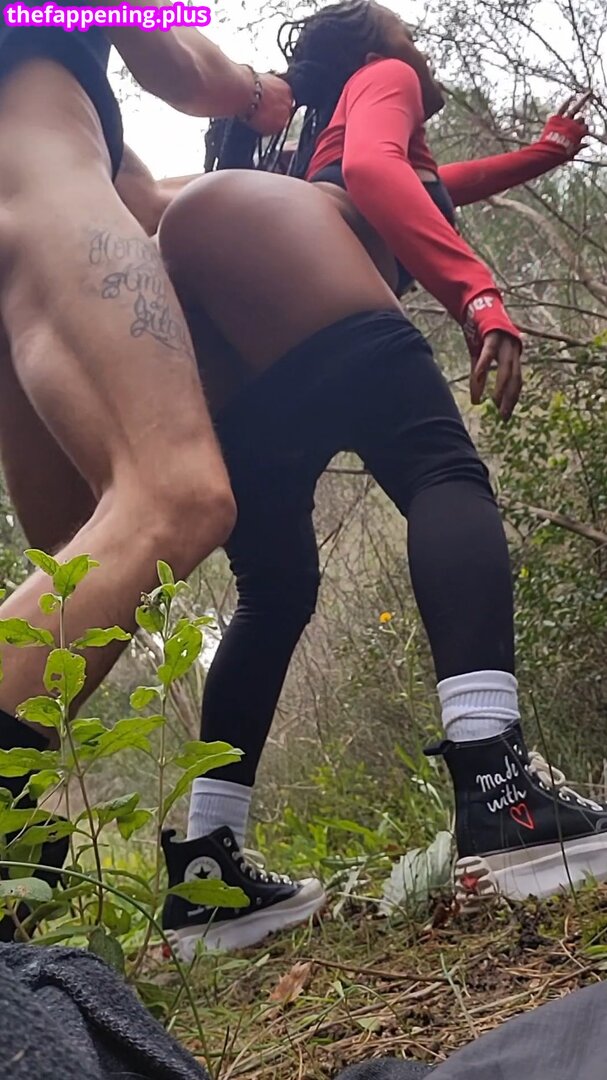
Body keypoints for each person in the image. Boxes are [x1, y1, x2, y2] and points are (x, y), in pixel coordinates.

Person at [150, 13, 603, 953]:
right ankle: (499, 788)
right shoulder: (381, 73)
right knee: (440, 470)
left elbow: (431, 186)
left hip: (215, 291)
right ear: (368, 45)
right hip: (285, 245)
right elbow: (375, 173)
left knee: (275, 590)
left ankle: (207, 870)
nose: (416, 44)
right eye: (402, 29)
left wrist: (541, 154)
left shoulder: (321, 132)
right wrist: (478, 294)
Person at [0, 1, 292, 933]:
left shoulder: (63, 80)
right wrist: (259, 91)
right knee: (176, 496)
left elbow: (145, 199)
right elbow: (183, 67)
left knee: (79, 553)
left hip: (41, 189)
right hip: (33, 173)